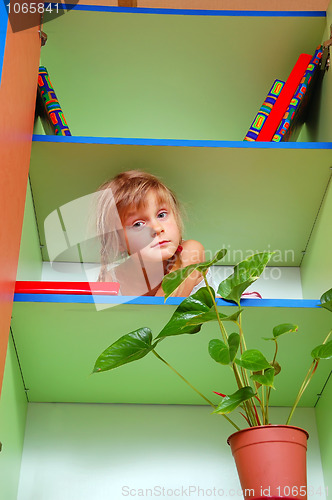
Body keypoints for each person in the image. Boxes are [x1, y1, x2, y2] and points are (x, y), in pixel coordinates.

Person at [95, 170, 205, 297]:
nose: (157, 228)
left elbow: (165, 308)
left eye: (161, 215)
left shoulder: (190, 251)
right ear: (119, 242)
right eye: (138, 224)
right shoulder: (111, 279)